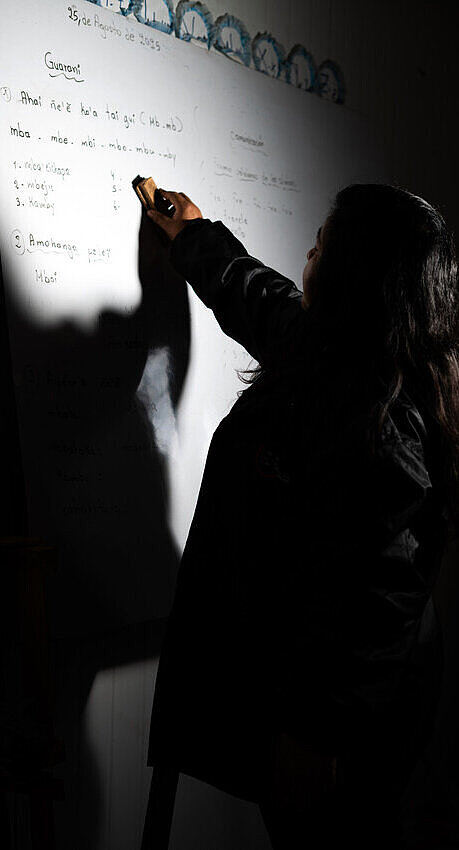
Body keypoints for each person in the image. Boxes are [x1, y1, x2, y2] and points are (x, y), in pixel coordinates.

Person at [145, 184, 459, 848]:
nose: (310, 250)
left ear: (353, 270)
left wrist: (317, 736)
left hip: (348, 721)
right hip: (326, 699)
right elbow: (259, 298)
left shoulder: (382, 414)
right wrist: (195, 235)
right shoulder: (335, 352)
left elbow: (379, 592)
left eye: (324, 241)